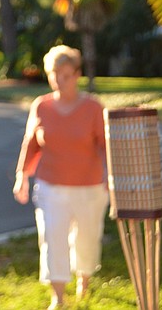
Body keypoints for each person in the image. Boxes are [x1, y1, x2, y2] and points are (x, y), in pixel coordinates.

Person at [12, 45, 109, 309]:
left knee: (87, 238)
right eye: (54, 74)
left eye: (65, 74)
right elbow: (30, 144)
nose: (59, 80)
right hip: (50, 186)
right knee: (52, 237)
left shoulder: (93, 108)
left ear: (77, 74)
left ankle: (84, 280)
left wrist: (110, 175)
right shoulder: (41, 106)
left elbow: (105, 145)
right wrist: (22, 175)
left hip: (90, 188)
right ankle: (59, 297)